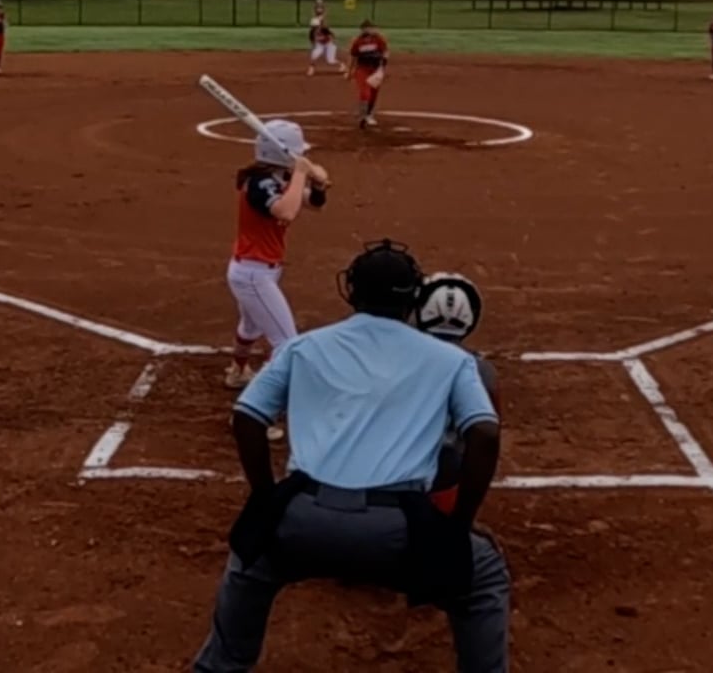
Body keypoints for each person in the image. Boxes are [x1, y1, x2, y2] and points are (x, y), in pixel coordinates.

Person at [193, 239, 510, 673]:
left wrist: (266, 499)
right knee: (484, 575)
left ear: (352, 292)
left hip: (301, 520)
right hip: (397, 531)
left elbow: (246, 417)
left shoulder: (303, 347)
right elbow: (485, 434)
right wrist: (457, 525)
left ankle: (219, 667)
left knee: (249, 561)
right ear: (414, 300)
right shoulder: (452, 360)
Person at [225, 119, 329, 391]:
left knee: (250, 328)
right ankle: (263, 402)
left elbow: (313, 204)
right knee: (286, 342)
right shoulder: (259, 184)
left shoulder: (275, 180)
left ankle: (237, 372)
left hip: (258, 270)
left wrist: (318, 185)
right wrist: (302, 173)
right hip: (253, 274)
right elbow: (286, 211)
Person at [412, 272, 500, 516]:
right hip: (447, 479)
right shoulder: (482, 370)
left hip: (398, 480)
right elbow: (489, 432)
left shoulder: (401, 361)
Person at [346, 20, 389, 129]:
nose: (371, 30)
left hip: (375, 70)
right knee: (365, 92)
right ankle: (362, 116)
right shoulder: (357, 41)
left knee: (374, 94)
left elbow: (385, 52)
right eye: (368, 28)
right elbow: (353, 56)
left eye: (372, 28)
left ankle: (369, 115)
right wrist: (349, 71)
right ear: (363, 29)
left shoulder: (379, 39)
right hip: (362, 69)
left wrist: (382, 67)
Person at [306, 1, 342, 77]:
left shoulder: (324, 29)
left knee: (331, 61)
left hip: (329, 44)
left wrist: (332, 41)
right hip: (320, 45)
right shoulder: (313, 31)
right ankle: (311, 69)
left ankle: (342, 65)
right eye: (313, 26)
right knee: (314, 55)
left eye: (315, 26)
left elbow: (332, 35)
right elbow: (312, 38)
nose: (314, 27)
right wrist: (313, 44)